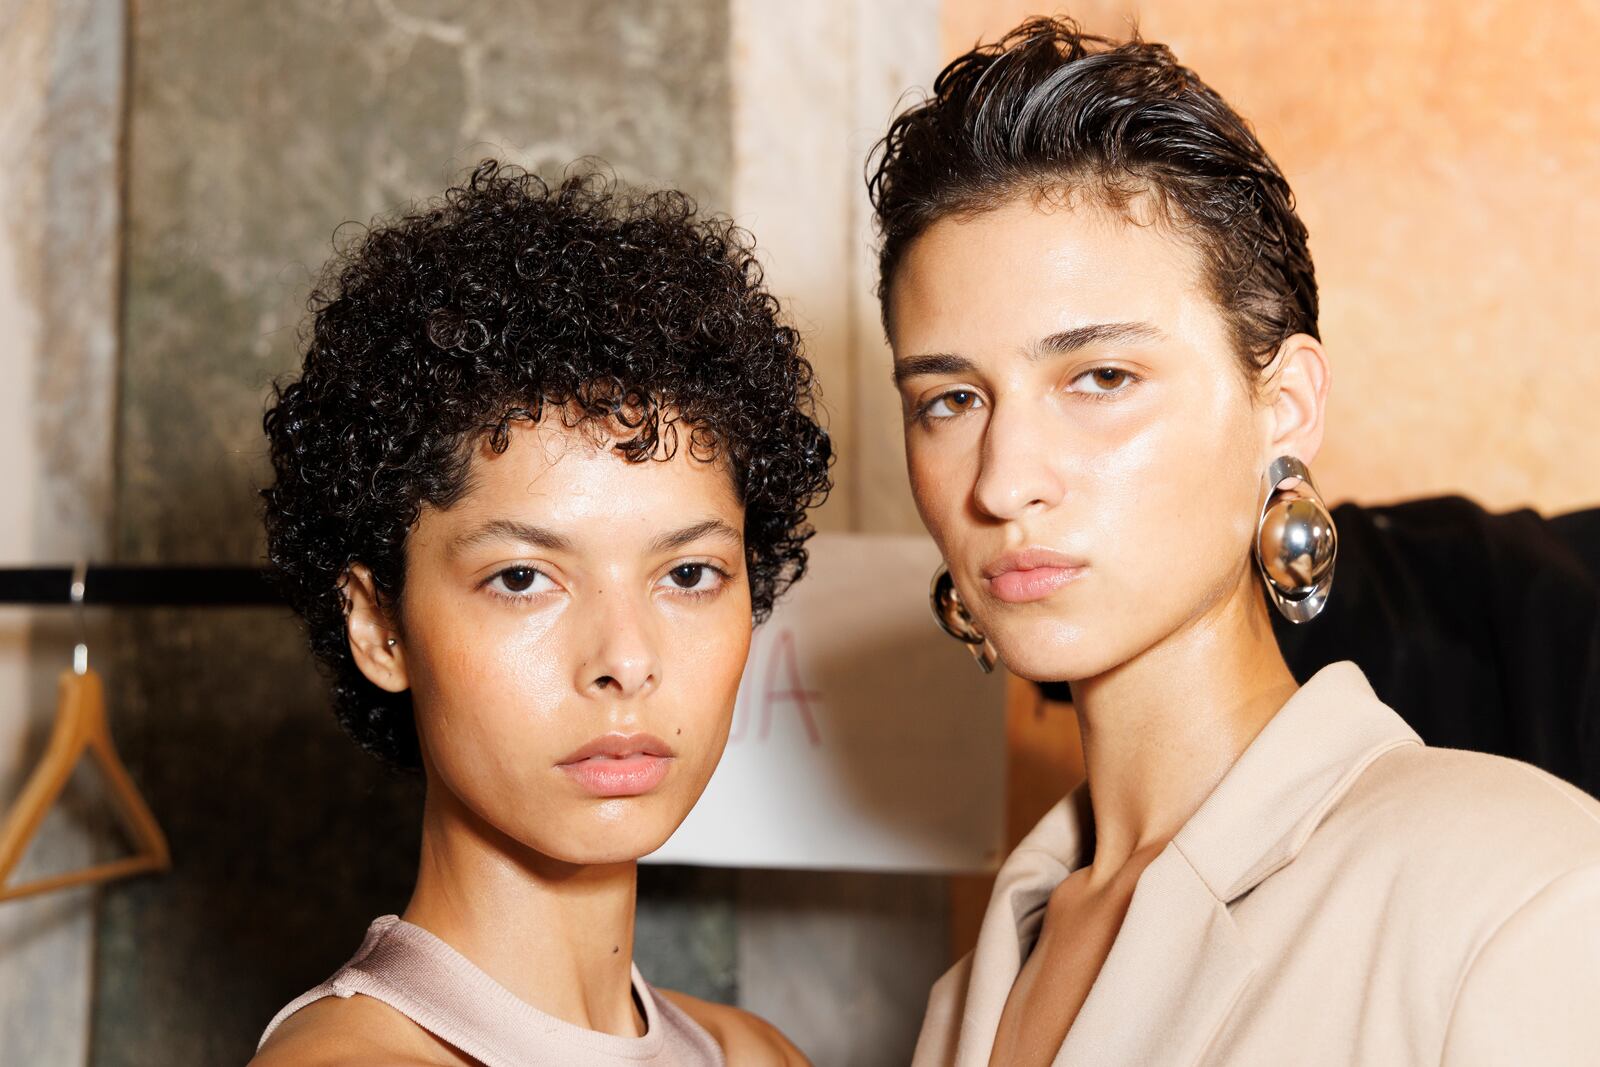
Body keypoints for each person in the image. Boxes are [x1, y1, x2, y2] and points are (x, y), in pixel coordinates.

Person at [868, 18, 1600, 1066]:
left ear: (1285, 405)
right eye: (949, 399)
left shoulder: (1521, 898)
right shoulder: (965, 999)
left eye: (1101, 377)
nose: (1001, 479)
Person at [249, 161, 826, 1066]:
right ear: (377, 625)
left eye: (688, 572)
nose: (625, 658)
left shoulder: (754, 1055)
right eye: (523, 578)